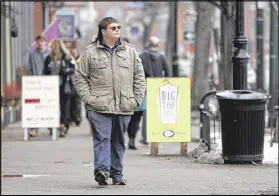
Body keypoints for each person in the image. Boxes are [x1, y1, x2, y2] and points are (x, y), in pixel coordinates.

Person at [75, 17, 146, 186]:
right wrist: (89, 99)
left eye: (118, 27)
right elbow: (80, 79)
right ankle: (101, 170)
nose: (117, 30)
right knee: (102, 138)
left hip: (124, 104)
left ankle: (117, 173)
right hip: (99, 106)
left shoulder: (130, 51)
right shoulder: (89, 52)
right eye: (113, 27)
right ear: (103, 31)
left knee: (119, 141)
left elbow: (139, 77)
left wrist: (136, 99)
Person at [139, 36, 171, 145]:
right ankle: (157, 135)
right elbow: (168, 73)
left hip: (145, 89)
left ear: (148, 45)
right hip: (159, 89)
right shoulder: (162, 57)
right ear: (157, 46)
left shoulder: (142, 57)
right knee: (158, 114)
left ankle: (145, 137)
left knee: (146, 114)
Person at [43, 40, 76, 137]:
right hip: (51, 87)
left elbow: (73, 69)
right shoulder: (49, 58)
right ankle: (53, 126)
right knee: (53, 107)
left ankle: (62, 126)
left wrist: (65, 71)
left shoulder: (66, 57)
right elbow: (45, 71)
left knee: (63, 107)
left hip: (63, 85)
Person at [27, 34, 51, 137]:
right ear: (36, 43)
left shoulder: (50, 53)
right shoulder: (32, 54)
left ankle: (51, 126)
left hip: (49, 83)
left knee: (49, 105)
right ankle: (35, 129)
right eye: (38, 41)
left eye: (42, 41)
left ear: (45, 42)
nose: (40, 43)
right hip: (36, 83)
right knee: (35, 106)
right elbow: (30, 68)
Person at [70, 48, 82, 126]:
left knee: (78, 102)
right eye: (73, 52)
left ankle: (78, 118)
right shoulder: (70, 60)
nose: (74, 54)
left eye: (75, 52)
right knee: (72, 102)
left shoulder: (80, 60)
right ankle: (72, 118)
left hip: (79, 84)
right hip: (71, 84)